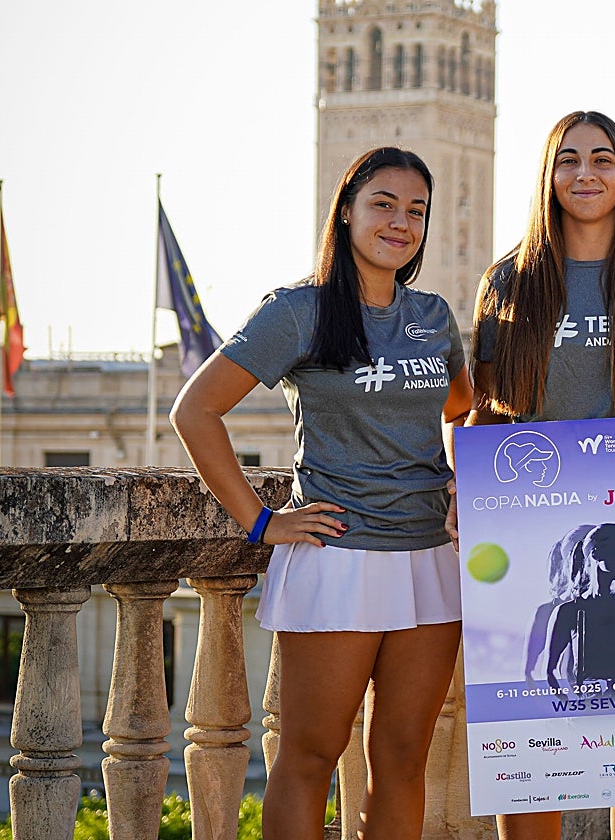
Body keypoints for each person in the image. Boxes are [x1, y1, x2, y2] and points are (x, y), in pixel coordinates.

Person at [169, 146, 473, 840]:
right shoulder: (298, 310)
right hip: (338, 558)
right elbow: (195, 411)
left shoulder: (431, 315)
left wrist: (463, 481)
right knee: (309, 757)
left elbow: (463, 410)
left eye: (416, 211)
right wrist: (260, 521)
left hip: (430, 559)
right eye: (383, 205)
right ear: (345, 212)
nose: (401, 222)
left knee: (401, 760)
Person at [449, 110, 615, 840]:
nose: (585, 173)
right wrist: (461, 490)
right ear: (549, 176)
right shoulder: (508, 281)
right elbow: (491, 416)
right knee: (532, 750)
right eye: (568, 160)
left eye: (601, 158)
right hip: (533, 527)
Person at [545, 523, 615, 692]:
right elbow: (551, 671)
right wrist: (570, 704)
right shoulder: (568, 612)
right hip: (588, 714)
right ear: (596, 554)